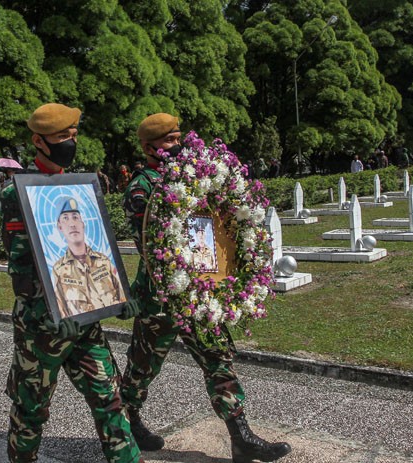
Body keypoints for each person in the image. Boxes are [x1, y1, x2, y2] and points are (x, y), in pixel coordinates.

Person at [120, 113, 292, 462]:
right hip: (159, 297)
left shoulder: (196, 177)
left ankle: (241, 436)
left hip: (199, 294)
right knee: (143, 366)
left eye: (178, 138)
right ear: (149, 147)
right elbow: (151, 246)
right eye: (169, 140)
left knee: (217, 356)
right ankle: (131, 419)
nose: (177, 145)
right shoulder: (142, 187)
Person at [0, 103, 143, 463]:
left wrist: (117, 295)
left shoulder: (79, 185)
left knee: (110, 398)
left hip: (84, 319)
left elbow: (97, 247)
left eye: (73, 135)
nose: (70, 142)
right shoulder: (16, 193)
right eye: (63, 136)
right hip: (42, 325)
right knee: (32, 409)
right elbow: (21, 266)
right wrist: (46, 307)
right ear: (38, 140)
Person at [51, 197, 126, 318]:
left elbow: (122, 296)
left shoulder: (104, 261)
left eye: (75, 217)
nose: (72, 224)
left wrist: (125, 308)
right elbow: (61, 311)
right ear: (60, 227)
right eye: (65, 218)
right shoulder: (59, 270)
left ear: (82, 223)